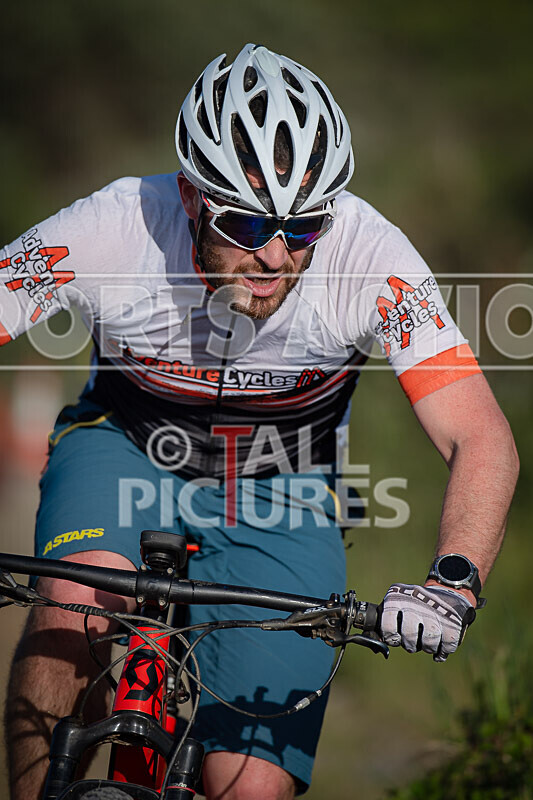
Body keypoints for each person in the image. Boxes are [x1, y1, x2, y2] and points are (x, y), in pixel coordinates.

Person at [1, 43, 518, 799]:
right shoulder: (112, 225)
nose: (276, 256)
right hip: (124, 442)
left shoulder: (372, 257)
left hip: (285, 476)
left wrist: (452, 583)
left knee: (249, 788)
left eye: (302, 228)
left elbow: (479, 435)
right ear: (188, 198)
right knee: (72, 608)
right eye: (245, 226)